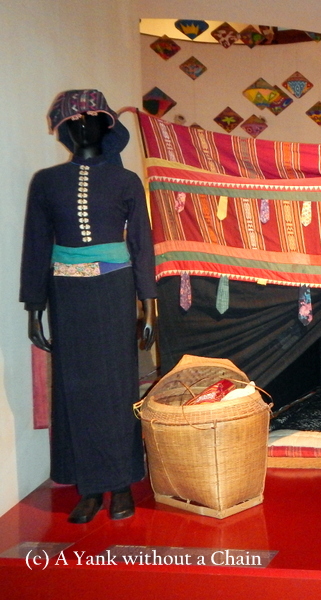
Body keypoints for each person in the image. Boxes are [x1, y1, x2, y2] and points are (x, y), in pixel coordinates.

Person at [19, 90, 157, 524]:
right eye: (73, 121)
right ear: (62, 129)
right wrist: (34, 305)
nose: (82, 126)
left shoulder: (126, 181)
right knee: (74, 388)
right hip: (67, 298)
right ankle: (89, 487)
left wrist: (148, 304)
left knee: (116, 387)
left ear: (107, 126)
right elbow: (38, 244)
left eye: (90, 118)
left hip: (114, 293)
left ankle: (120, 484)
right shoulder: (46, 181)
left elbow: (141, 243)